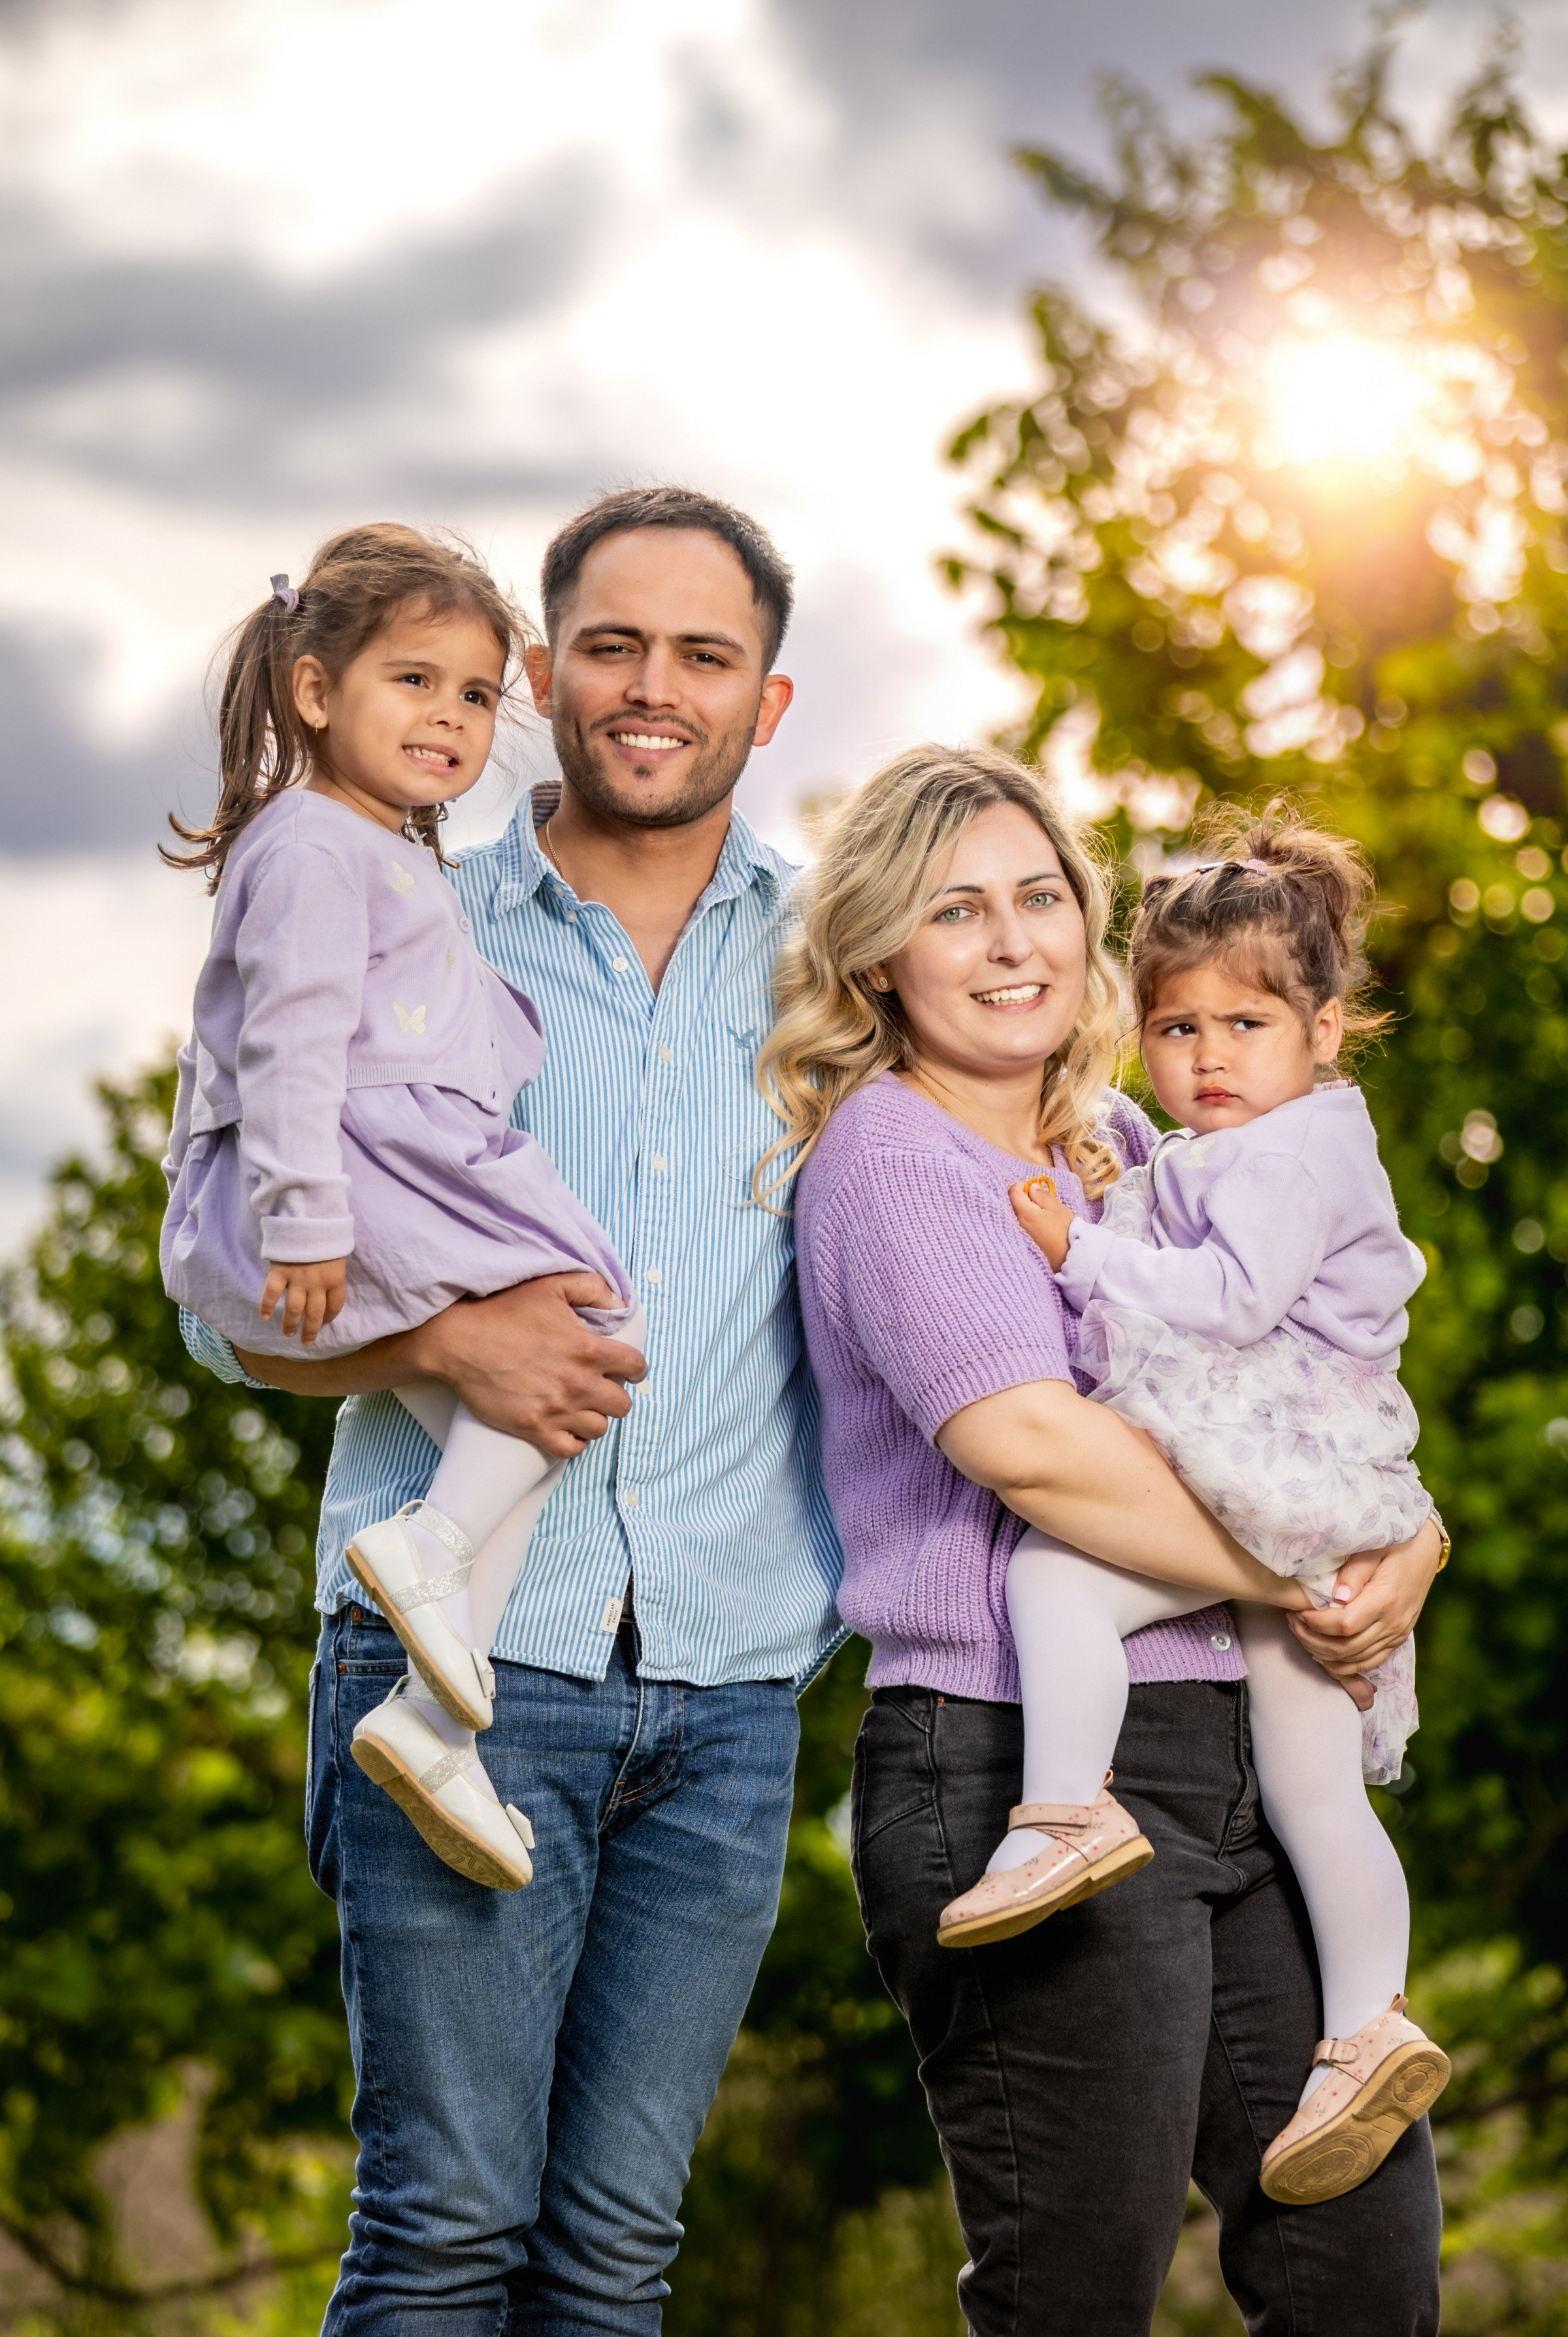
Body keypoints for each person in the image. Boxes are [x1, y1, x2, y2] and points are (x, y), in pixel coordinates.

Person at [178, 487, 844, 2334]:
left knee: (616, 2257)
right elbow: (223, 1293)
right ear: (545, 678)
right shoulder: (389, 903)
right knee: (445, 2230)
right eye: (611, 648)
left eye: (705, 654)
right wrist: (450, 1347)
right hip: (459, 1666)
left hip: (730, 1689)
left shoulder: (842, 962)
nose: (654, 688)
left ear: (769, 700)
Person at [775, 743, 1444, 2334]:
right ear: (879, 951)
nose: (1012, 942)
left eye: (1039, 897)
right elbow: (1035, 1454)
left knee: (1362, 2269)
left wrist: (1412, 1542)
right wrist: (1322, 1553)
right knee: (1080, 2287)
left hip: (1241, 1742)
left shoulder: (1139, 1148)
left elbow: (1303, 1383)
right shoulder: (891, 1157)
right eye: (956, 909)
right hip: (1015, 1749)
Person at [939, 804, 1450, 2207]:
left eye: (1247, 1025)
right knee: (1311, 1783)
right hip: (1313, 1472)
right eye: (1177, 1029)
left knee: (1056, 1576)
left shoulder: (1291, 1154)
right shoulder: (1248, 1142)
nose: (1209, 1058)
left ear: (1325, 1030)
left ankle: (1063, 1808)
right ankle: (1367, 2027)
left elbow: (1230, 1299)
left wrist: (1080, 1251)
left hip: (1279, 1464)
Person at [163, 522, 640, 1893]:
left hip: (392, 1154)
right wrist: (307, 1220)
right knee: (594, 1325)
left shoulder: (376, 847)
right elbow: (291, 1044)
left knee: (540, 1407)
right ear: (315, 691)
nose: (450, 717)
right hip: (366, 1169)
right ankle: (425, 1550)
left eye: (477, 695)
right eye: (415, 681)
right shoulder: (317, 845)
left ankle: (435, 1723)